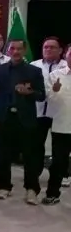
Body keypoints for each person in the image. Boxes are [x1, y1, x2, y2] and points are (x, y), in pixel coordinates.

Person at [0, 40, 46, 204]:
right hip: (4, 118)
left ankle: (31, 189)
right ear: (8, 50)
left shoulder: (34, 71)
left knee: (30, 156)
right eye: (12, 48)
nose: (16, 51)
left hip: (26, 119)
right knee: (3, 155)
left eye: (19, 49)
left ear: (24, 51)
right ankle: (4, 187)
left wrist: (29, 92)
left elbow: (41, 95)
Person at [30, 37, 67, 175]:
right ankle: (34, 173)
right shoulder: (34, 65)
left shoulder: (66, 66)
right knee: (36, 145)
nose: (48, 49)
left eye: (52, 47)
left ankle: (61, 175)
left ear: (61, 50)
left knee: (60, 147)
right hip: (38, 112)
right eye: (46, 47)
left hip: (59, 113)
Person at [44, 46, 71, 205]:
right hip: (62, 126)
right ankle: (52, 193)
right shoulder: (55, 75)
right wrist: (54, 91)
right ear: (66, 55)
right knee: (58, 162)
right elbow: (48, 100)